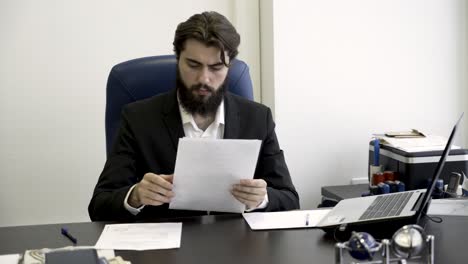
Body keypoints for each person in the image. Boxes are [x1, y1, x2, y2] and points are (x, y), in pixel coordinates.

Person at [88, 11, 299, 221]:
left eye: (216, 67)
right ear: (178, 60)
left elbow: (289, 198)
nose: (204, 79)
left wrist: (261, 199)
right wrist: (135, 196)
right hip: (165, 248)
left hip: (238, 246)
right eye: (193, 65)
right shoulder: (138, 118)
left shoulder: (258, 118)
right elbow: (99, 205)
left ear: (229, 67)